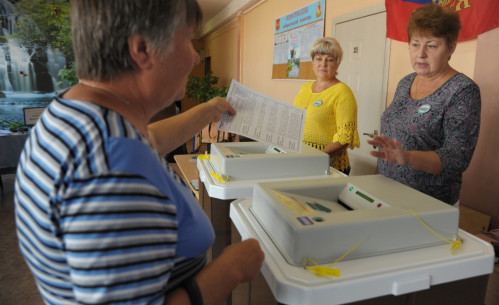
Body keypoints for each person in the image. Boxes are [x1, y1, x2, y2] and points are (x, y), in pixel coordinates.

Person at [14, 1, 264, 305]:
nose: (195, 57)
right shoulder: (114, 170)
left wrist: (207, 111)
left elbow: (146, 140)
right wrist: (232, 268)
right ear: (142, 49)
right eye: (186, 40)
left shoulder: (76, 114)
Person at [367, 4, 481, 206]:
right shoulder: (406, 82)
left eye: (431, 45)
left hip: (428, 203)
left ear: (451, 47)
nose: (420, 54)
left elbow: (456, 159)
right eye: (415, 44)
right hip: (387, 194)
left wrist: (408, 157)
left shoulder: (462, 91)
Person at [293, 37, 360, 175]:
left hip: (329, 166)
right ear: (312, 62)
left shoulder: (343, 92)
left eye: (329, 59)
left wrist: (318, 157)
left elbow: (345, 137)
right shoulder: (305, 88)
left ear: (337, 64)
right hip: (302, 160)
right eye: (318, 58)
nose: (323, 64)